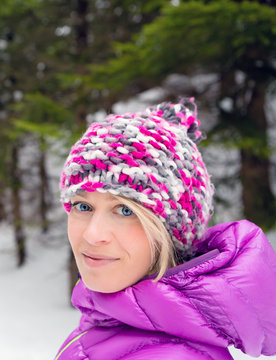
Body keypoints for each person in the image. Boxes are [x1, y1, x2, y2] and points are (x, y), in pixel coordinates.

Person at [55, 99, 276, 359]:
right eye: (83, 206)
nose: (93, 234)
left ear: (173, 232)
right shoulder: (109, 318)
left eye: (126, 211)